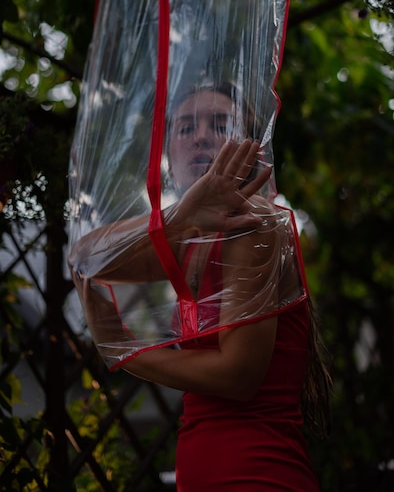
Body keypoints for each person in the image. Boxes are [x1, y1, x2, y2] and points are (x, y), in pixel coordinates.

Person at [68, 84, 331, 492]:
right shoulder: (191, 239)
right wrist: (180, 214)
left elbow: (237, 376)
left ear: (251, 149)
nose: (202, 135)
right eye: (186, 127)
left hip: (256, 475)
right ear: (169, 156)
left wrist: (123, 351)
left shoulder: (254, 221)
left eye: (220, 124)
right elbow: (85, 257)